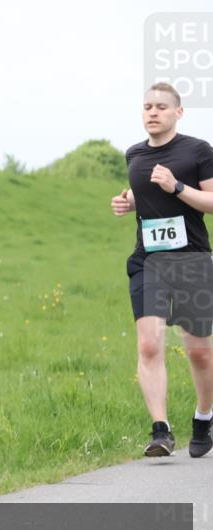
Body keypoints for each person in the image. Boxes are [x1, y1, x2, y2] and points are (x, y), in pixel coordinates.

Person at [111, 82, 213, 458]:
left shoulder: (198, 151)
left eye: (161, 107)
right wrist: (128, 200)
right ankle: (161, 430)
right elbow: (144, 189)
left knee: (199, 352)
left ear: (178, 113)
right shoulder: (134, 154)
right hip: (148, 261)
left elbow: (211, 201)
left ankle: (204, 416)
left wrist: (177, 186)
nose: (152, 113)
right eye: (147, 107)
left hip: (192, 261)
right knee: (150, 343)